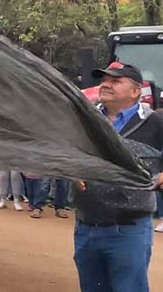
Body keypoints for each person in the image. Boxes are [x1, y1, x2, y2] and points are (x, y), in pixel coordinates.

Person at [72, 62, 163, 292]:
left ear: (135, 91)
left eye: (115, 81)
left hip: (128, 231)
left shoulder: (155, 123)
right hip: (85, 228)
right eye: (104, 80)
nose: (106, 85)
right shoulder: (86, 119)